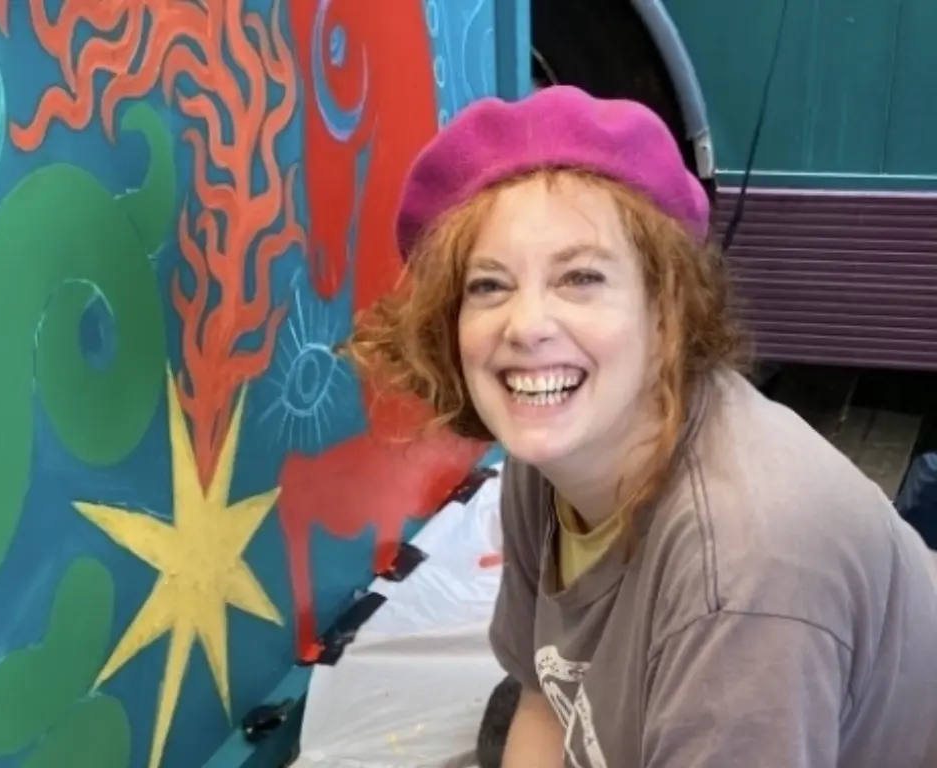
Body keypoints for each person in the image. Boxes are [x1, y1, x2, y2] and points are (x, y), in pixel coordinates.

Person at [346, 84, 937, 767]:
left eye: (581, 278)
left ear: (667, 313)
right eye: (489, 285)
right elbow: (543, 696)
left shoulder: (743, 574)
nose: (527, 326)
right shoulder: (555, 452)